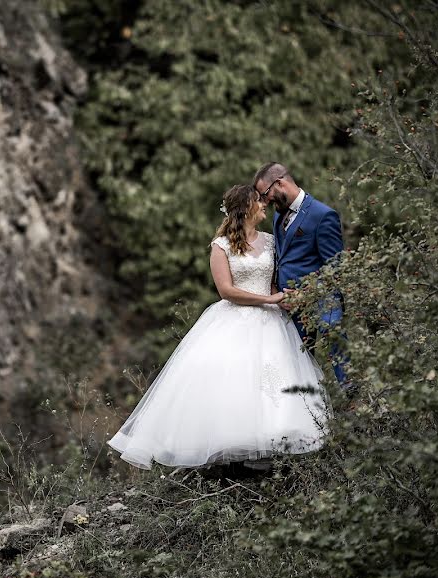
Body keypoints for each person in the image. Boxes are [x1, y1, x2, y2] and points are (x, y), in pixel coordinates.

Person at [106, 184, 329, 471]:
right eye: (258, 202)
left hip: (271, 321)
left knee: (272, 381)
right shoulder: (221, 246)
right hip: (235, 319)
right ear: (245, 207)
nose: (265, 205)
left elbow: (275, 280)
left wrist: (284, 298)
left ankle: (267, 454)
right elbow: (226, 291)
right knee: (233, 381)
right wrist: (268, 299)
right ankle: (231, 457)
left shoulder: (272, 241)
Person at [252, 162, 349, 388]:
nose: (265, 202)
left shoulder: (323, 215)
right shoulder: (278, 216)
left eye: (265, 194)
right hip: (287, 307)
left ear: (280, 183)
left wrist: (305, 295)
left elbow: (336, 269)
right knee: (297, 366)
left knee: (334, 341)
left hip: (320, 301)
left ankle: (354, 397)